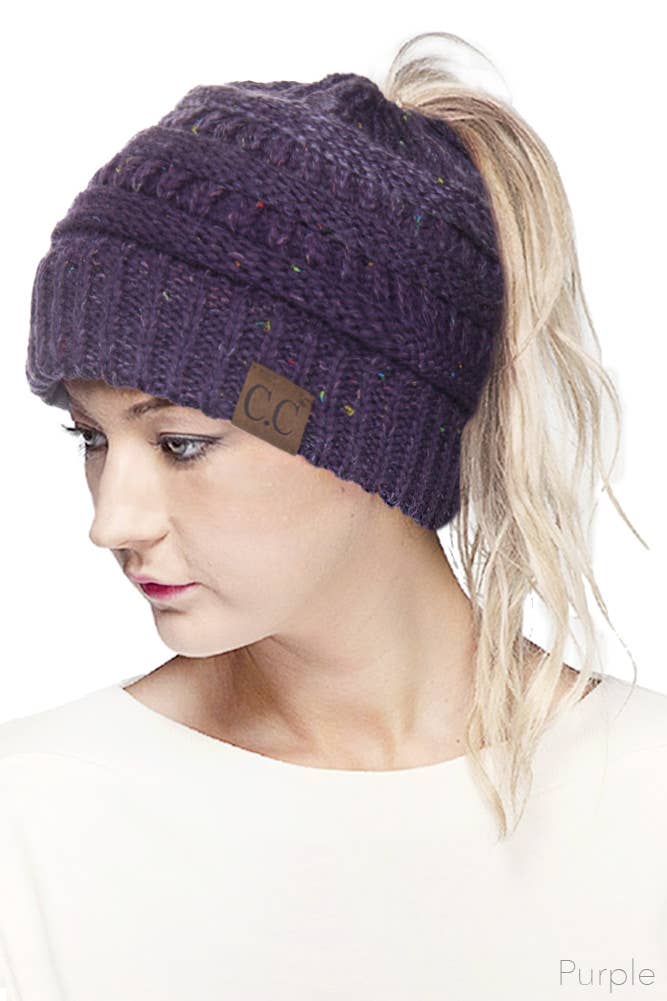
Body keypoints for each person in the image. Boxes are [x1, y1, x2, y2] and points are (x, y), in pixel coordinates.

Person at [2, 29, 666, 1001]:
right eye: (90, 437)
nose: (113, 522)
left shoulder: (644, 799)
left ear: (364, 436)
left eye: (180, 441)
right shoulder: (33, 820)